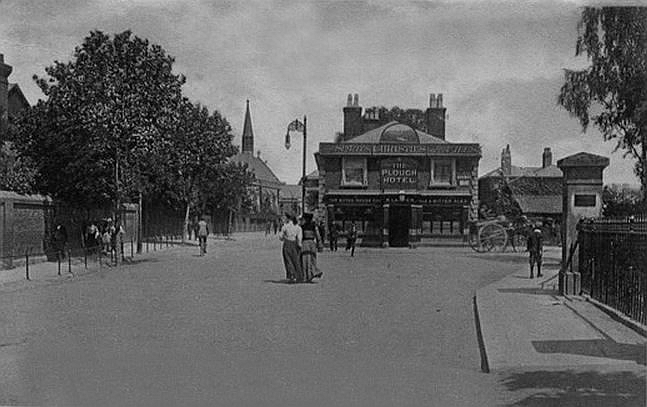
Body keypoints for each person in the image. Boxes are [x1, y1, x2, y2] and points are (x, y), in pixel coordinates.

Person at [279, 213, 302, 283]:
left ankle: (291, 275)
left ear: (288, 219)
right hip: (294, 243)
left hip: (287, 243)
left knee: (288, 260)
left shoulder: (285, 226)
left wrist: (284, 238)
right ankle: (298, 275)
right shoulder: (298, 227)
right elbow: (299, 238)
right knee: (295, 260)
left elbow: (280, 237)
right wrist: (299, 244)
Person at [301, 213, 323, 282]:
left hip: (304, 243)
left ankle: (305, 277)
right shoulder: (314, 226)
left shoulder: (302, 227)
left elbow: (300, 236)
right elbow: (318, 235)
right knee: (312, 260)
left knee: (304, 260)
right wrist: (320, 244)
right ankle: (312, 273)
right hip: (312, 244)